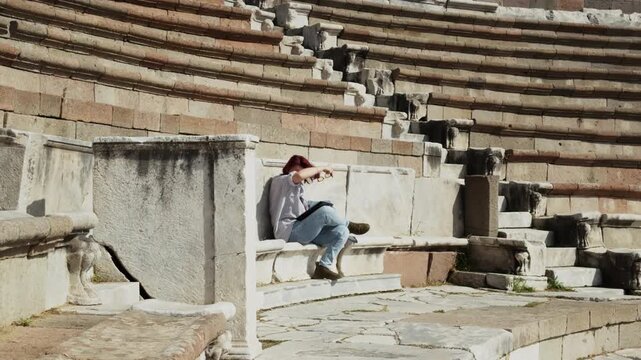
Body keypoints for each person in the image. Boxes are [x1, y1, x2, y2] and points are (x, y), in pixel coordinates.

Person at [269, 155, 370, 280]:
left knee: (342, 231)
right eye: (301, 169)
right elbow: (299, 175)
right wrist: (323, 168)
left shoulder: (297, 189)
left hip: (301, 230)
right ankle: (348, 223)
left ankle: (323, 267)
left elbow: (305, 206)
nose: (304, 176)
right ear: (292, 167)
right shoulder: (281, 180)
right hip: (288, 231)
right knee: (325, 212)